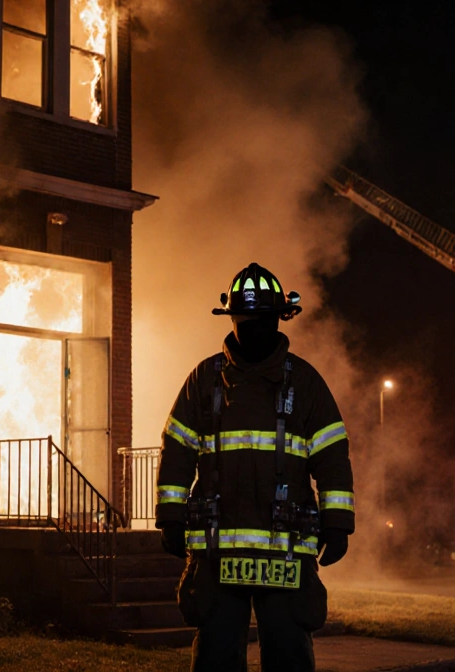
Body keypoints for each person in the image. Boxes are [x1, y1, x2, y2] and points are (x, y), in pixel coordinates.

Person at [155, 262, 356, 672]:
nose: (252, 330)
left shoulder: (305, 383)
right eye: (245, 321)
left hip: (284, 553)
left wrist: (338, 523)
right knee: (216, 656)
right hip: (217, 555)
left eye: (260, 321)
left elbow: (332, 456)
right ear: (232, 319)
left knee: (287, 656)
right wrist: (170, 517)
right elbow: (176, 450)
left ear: (279, 320)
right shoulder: (204, 381)